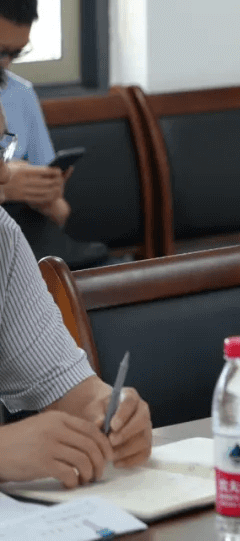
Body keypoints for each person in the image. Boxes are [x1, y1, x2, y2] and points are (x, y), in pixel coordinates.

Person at [0, 99, 152, 489]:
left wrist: (110, 410)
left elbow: (67, 386)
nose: (4, 175)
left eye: (2, 146)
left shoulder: (2, 239)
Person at [0, 0, 108, 269]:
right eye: (0, 51)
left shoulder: (20, 95)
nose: (5, 64)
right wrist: (6, 187)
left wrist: (46, 195)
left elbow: (60, 213)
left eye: (15, 53)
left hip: (32, 244)